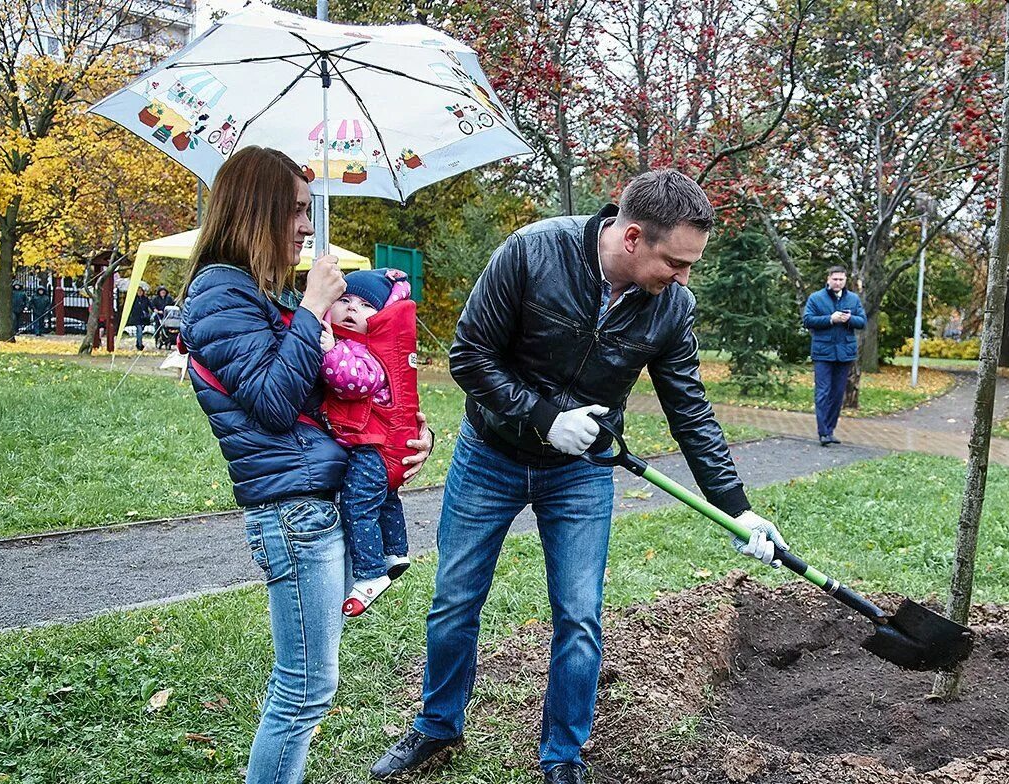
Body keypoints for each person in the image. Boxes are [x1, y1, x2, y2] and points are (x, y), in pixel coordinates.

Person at [369, 169, 787, 784]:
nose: (684, 278)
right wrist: (544, 416)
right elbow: (468, 355)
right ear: (633, 237)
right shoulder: (533, 251)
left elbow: (690, 408)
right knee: (456, 599)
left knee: (580, 616)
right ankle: (437, 729)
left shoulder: (671, 307)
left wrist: (736, 507)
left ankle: (562, 759)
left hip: (582, 473)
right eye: (675, 262)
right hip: (491, 455)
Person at [179, 146, 434, 784]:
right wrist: (314, 309)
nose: (305, 225)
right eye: (294, 209)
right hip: (292, 514)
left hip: (315, 502)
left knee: (309, 690)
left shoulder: (258, 295)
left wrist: (397, 440)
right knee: (303, 692)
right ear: (258, 210)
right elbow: (271, 402)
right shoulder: (218, 293)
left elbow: (319, 397)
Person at [319, 268, 421, 617]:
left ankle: (370, 573)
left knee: (357, 504)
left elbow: (354, 381)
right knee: (385, 499)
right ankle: (395, 550)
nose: (351, 309)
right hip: (382, 447)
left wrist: (330, 352)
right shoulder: (361, 345)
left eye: (364, 305)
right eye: (344, 300)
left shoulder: (364, 351)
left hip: (373, 448)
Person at [801, 266, 867, 446]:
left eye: (841, 279)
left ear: (846, 280)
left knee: (838, 394)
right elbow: (807, 320)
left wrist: (849, 320)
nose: (838, 282)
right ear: (828, 279)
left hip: (844, 354)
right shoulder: (816, 298)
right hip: (823, 353)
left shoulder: (853, 299)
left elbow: (862, 321)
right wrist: (831, 319)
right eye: (835, 279)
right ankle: (822, 432)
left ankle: (830, 431)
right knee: (822, 392)